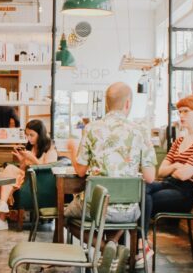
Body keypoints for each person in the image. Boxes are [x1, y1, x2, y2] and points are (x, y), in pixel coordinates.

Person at [65, 82, 157, 263]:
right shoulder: (140, 131)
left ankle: (105, 248)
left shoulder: (91, 128)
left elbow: (81, 171)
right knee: (124, 209)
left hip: (96, 208)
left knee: (66, 217)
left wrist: (71, 150)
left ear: (106, 104)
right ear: (128, 104)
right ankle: (113, 246)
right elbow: (150, 177)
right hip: (130, 211)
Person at [143, 95, 193, 263]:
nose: (181, 116)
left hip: (185, 193)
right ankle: (138, 242)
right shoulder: (179, 140)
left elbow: (185, 175)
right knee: (140, 188)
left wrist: (175, 168)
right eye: (179, 112)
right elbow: (161, 171)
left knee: (145, 198)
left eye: (185, 112)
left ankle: (139, 243)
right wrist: (176, 166)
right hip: (169, 184)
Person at [0, 119, 58, 231]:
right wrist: (22, 159)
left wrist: (32, 158)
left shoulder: (50, 149)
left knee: (7, 176)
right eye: (27, 135)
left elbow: (48, 170)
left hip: (39, 182)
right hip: (27, 178)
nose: (28, 138)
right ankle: (2, 210)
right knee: (7, 174)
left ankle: (2, 217)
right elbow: (23, 168)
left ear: (41, 134)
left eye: (32, 135)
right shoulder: (31, 147)